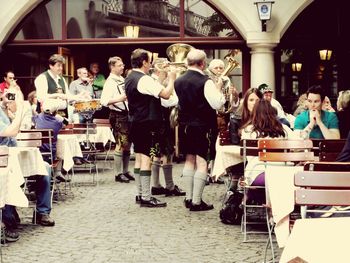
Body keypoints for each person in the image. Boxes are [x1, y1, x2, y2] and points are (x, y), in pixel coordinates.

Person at [125, 48, 176, 208]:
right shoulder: (143, 79)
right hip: (147, 122)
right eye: (150, 61)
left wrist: (160, 79)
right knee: (147, 158)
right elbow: (166, 95)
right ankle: (146, 197)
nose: (151, 64)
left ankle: (141, 194)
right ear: (144, 62)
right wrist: (172, 78)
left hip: (135, 121)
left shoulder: (131, 77)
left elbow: (148, 92)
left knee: (139, 159)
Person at [175, 49, 225, 211]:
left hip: (184, 125)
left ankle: (189, 198)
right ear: (203, 63)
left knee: (189, 159)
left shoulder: (178, 80)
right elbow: (218, 104)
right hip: (202, 125)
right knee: (202, 162)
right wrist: (218, 89)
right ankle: (196, 201)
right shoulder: (206, 81)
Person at [149, 60, 185, 197]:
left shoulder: (153, 81)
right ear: (159, 70)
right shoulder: (156, 83)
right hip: (162, 121)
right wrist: (172, 82)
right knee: (167, 153)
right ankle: (169, 186)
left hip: (157, 121)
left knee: (157, 154)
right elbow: (170, 101)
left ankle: (156, 185)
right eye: (166, 67)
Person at [100, 56, 134, 183]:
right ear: (112, 67)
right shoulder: (110, 82)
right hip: (118, 115)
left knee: (128, 143)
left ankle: (125, 171)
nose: (123, 67)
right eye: (120, 65)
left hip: (127, 114)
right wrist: (119, 99)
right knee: (121, 143)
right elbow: (103, 101)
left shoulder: (121, 79)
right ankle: (117, 173)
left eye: (123, 65)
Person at [34, 54, 88, 120]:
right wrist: (58, 95)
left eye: (62, 65)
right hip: (47, 119)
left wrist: (79, 96)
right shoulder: (42, 78)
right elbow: (41, 97)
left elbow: (67, 96)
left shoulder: (62, 79)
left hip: (63, 117)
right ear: (51, 66)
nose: (61, 68)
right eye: (58, 66)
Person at [34, 98, 68, 182]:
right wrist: (57, 116)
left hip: (36, 153)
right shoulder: (57, 122)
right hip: (50, 155)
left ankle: (55, 173)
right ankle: (57, 172)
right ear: (56, 111)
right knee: (60, 148)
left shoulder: (36, 118)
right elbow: (66, 123)